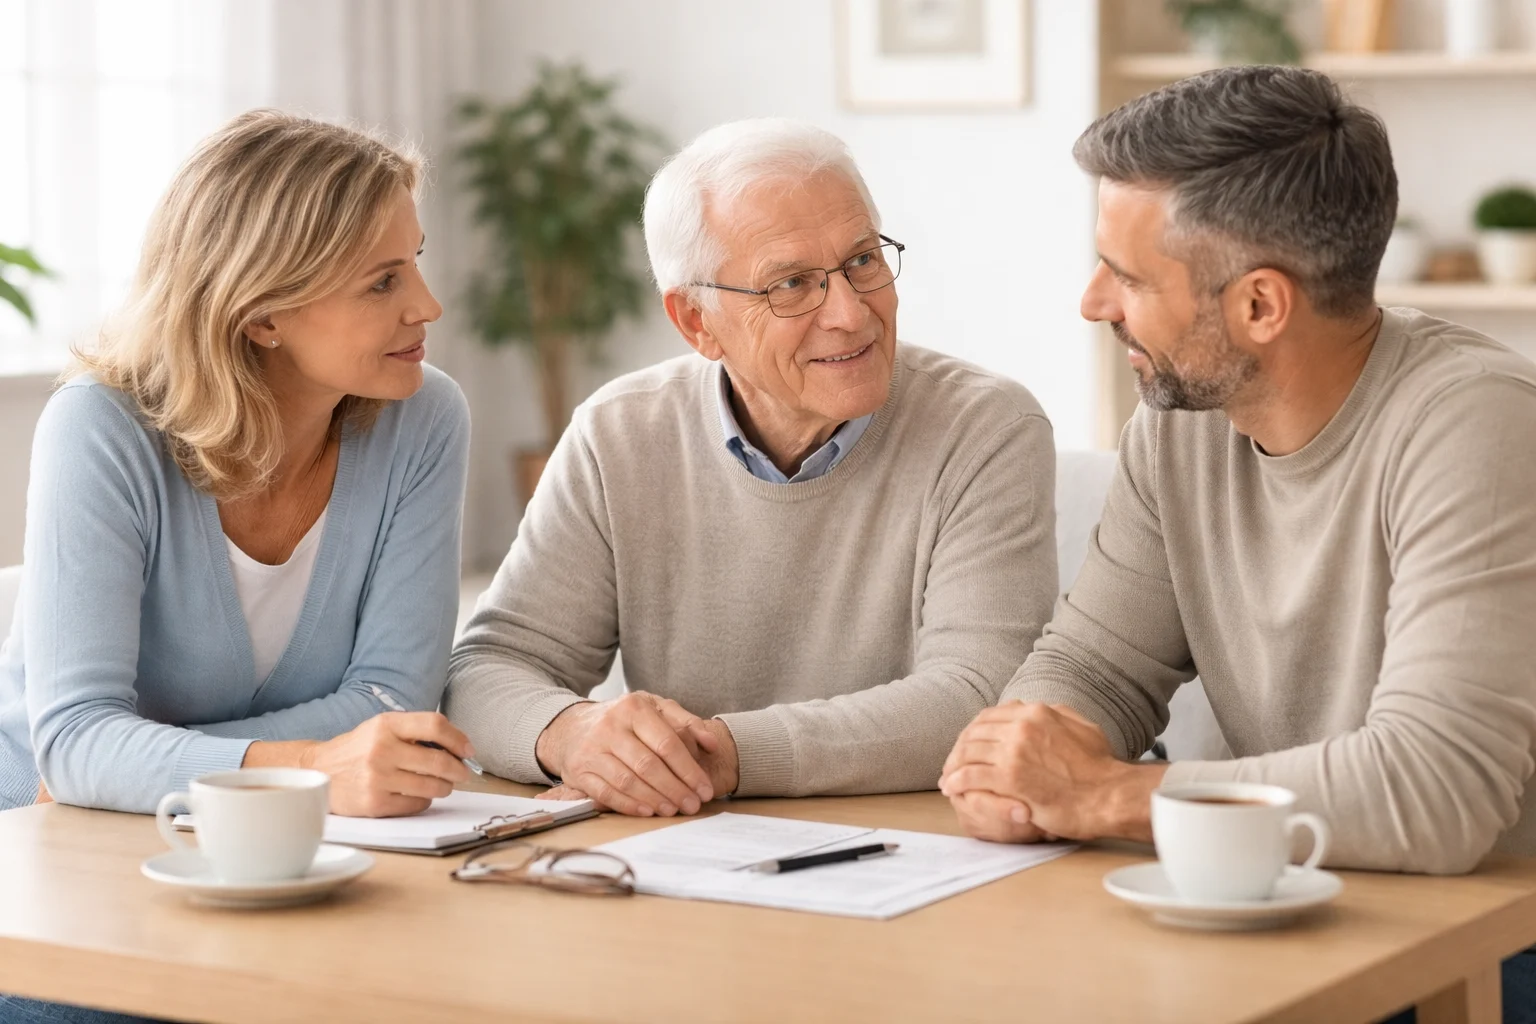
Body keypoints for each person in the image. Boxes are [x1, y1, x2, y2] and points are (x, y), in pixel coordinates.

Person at [939, 66, 1536, 1021]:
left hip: (1483, 936)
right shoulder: (1183, 421)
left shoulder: (1478, 427)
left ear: (1261, 306)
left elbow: (1437, 789)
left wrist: (1101, 796)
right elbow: (1096, 663)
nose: (1094, 303)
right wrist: (1019, 759)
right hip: (1280, 907)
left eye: (1127, 276)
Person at [445, 118, 1058, 816]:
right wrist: (570, 733)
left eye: (862, 260)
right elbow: (489, 668)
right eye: (792, 284)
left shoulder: (986, 427)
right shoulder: (619, 432)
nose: (851, 314)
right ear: (696, 323)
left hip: (923, 852)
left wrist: (722, 754)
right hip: (681, 851)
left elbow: (981, 694)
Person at [0, 109, 475, 824]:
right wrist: (312, 765)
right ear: (261, 316)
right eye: (383, 282)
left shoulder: (424, 416)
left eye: (415, 263)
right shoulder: (100, 426)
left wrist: (140, 765)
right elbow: (73, 746)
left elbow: (392, 702)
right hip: (47, 835)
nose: (427, 305)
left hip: (269, 833)